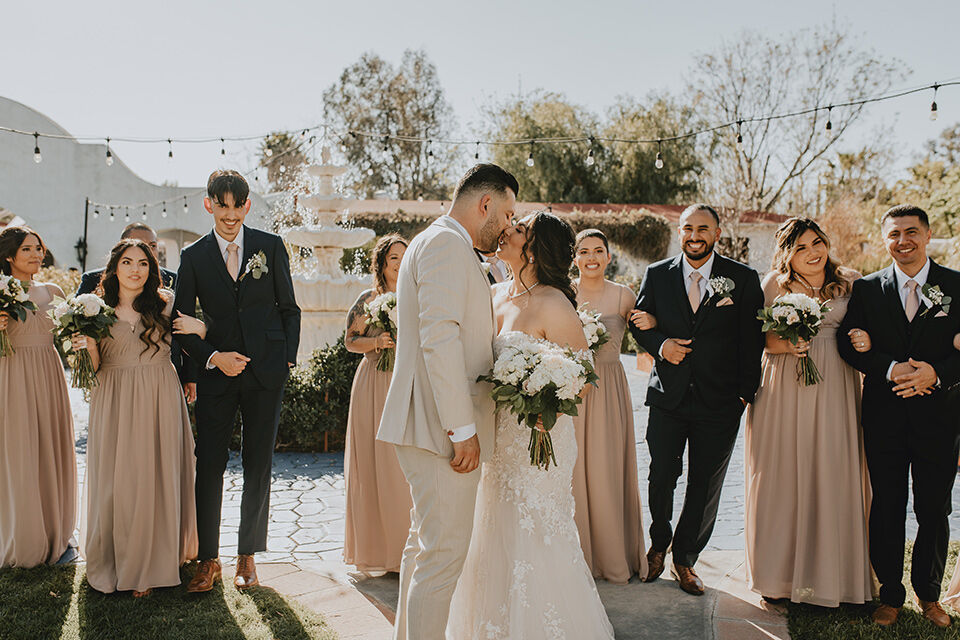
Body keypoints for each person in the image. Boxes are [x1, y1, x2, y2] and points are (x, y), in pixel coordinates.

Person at [447, 212, 614, 638]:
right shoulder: (495, 294)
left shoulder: (554, 303)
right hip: (497, 438)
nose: (506, 230)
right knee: (491, 529)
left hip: (541, 439)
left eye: (518, 228)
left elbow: (582, 377)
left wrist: (545, 404)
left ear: (535, 249)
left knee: (536, 531)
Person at [378, 164, 517, 640]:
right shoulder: (445, 244)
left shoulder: (439, 242)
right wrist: (462, 430)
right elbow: (439, 340)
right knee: (442, 560)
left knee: (424, 550)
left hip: (427, 426)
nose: (507, 226)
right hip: (440, 431)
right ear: (486, 205)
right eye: (507, 213)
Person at [173, 170, 301, 593]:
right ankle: (209, 559)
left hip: (266, 375)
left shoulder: (270, 246)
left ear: (247, 206)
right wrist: (212, 358)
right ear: (208, 204)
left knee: (258, 463)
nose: (230, 214)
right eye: (221, 204)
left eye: (237, 205)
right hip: (216, 376)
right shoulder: (192, 257)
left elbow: (289, 308)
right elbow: (180, 323)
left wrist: (285, 362)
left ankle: (248, 555)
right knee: (208, 464)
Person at [629, 204, 764, 596]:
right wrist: (661, 345)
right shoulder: (657, 274)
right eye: (688, 228)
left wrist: (743, 395)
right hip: (668, 397)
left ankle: (685, 559)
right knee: (661, 477)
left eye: (703, 229)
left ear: (717, 233)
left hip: (720, 402)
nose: (694, 235)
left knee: (705, 485)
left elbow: (751, 341)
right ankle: (658, 544)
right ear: (679, 231)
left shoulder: (741, 278)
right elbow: (640, 321)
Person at [837, 205, 960, 628]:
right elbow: (845, 342)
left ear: (927, 235)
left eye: (911, 232)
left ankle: (929, 596)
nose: (902, 241)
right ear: (885, 239)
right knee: (887, 505)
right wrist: (890, 368)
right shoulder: (868, 289)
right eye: (894, 234)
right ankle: (889, 595)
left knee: (934, 509)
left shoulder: (956, 286)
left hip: (940, 418)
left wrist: (937, 373)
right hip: (885, 417)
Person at [742, 218, 871, 607]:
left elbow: (870, 326)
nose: (813, 252)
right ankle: (777, 577)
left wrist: (865, 340)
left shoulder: (850, 281)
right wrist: (785, 344)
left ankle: (840, 578)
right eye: (800, 247)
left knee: (834, 467)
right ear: (787, 254)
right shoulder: (771, 285)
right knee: (782, 471)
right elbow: (756, 339)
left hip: (838, 382)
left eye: (817, 243)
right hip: (784, 383)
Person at [77, 239, 198, 597]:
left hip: (160, 393)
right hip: (113, 396)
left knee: (156, 473)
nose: (135, 270)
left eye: (143, 263)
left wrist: (203, 332)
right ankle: (121, 560)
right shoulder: (95, 310)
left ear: (152, 268)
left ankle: (152, 563)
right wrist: (84, 347)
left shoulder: (167, 304)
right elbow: (95, 368)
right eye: (127, 262)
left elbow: (199, 338)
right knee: (121, 479)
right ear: (114, 268)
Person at [570, 228, 647, 584]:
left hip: (610, 386)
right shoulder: (564, 293)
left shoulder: (623, 295)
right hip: (572, 388)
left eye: (598, 251)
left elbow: (645, 340)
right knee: (573, 469)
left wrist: (653, 324)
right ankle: (577, 556)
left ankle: (613, 556)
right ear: (574, 257)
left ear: (608, 256)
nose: (591, 258)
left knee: (606, 467)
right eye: (584, 251)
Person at [0, 226, 77, 568]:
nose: (36, 254)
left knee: (49, 446)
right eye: (28, 249)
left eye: (38, 248)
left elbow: (73, 333)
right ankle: (20, 532)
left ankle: (53, 530)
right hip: (12, 375)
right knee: (18, 450)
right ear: (9, 256)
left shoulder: (53, 292)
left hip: (49, 375)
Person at [343, 234, 411, 574]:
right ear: (382, 265)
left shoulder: (418, 296)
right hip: (374, 384)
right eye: (393, 258)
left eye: (404, 256)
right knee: (374, 463)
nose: (398, 264)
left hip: (407, 382)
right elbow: (349, 341)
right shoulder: (367, 299)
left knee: (402, 467)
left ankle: (406, 550)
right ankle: (377, 551)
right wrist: (376, 341)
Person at [78, 222, 194, 401]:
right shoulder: (95, 293)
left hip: (162, 381)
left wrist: (189, 375)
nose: (144, 250)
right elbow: (82, 337)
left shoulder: (170, 291)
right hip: (113, 385)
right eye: (127, 260)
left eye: (152, 246)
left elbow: (186, 334)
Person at [77, 222, 176, 294]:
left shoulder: (174, 279)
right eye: (140, 244)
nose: (147, 250)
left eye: (153, 245)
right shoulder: (92, 280)